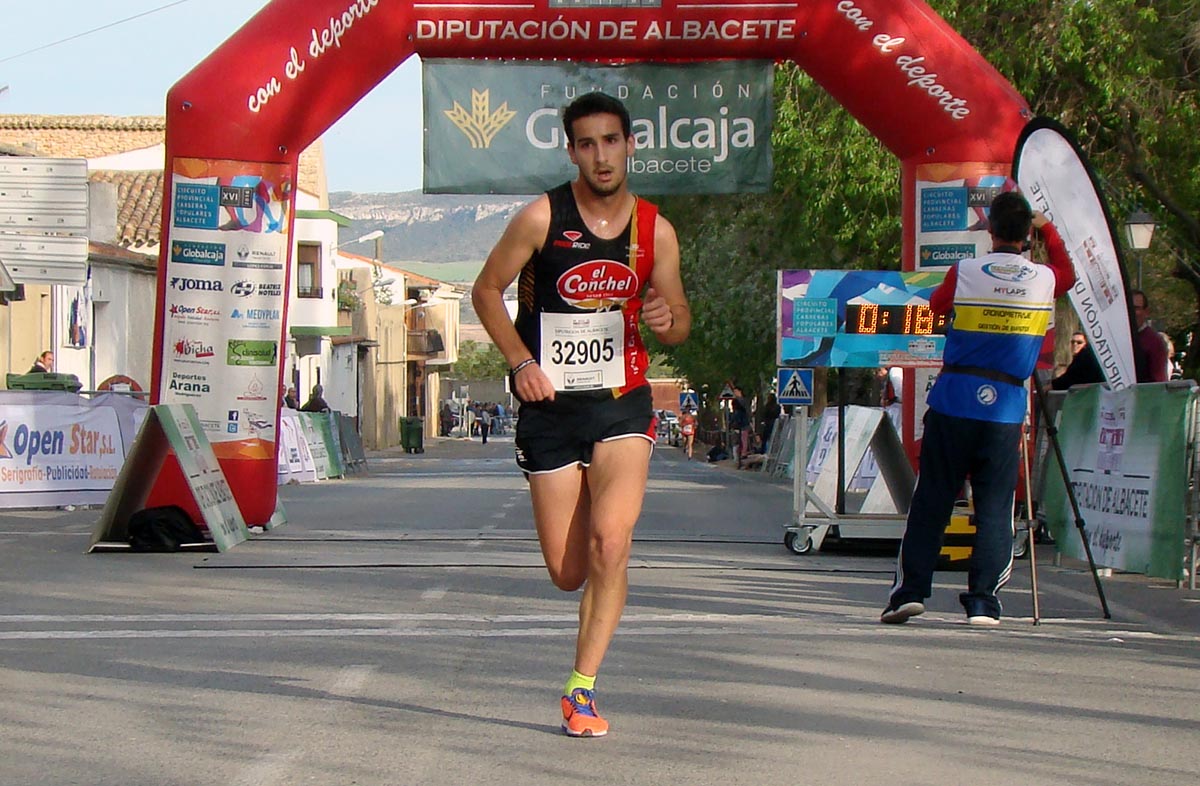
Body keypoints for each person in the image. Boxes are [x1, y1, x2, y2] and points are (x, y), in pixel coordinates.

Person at [471, 91, 690, 737]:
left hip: (623, 401)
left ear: (630, 145)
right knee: (570, 573)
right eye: (587, 143)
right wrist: (519, 362)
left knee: (611, 543)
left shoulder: (656, 231)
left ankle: (582, 689)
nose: (601, 155)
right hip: (550, 408)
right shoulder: (541, 218)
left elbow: (678, 320)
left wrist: (665, 318)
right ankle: (593, 515)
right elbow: (485, 290)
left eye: (611, 141)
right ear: (572, 150)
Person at [881, 192, 1074, 627]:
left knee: (932, 499)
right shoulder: (1044, 278)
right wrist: (1048, 230)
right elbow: (1069, 275)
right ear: (1027, 233)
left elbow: (935, 306)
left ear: (990, 230)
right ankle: (984, 601)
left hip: (954, 400)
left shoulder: (965, 271)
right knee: (994, 506)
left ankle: (909, 594)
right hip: (1004, 409)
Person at [1131, 290, 1169, 382]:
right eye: (1127, 307)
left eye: (1136, 308)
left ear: (1146, 312)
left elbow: (1158, 381)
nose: (1131, 312)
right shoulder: (1117, 339)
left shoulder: (1154, 342)